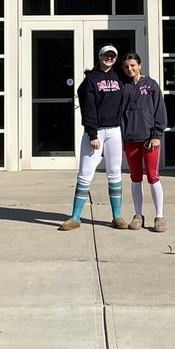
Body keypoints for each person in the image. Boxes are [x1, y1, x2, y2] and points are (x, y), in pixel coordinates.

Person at [59, 44, 128, 231]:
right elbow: (88, 108)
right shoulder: (90, 80)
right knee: (85, 174)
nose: (110, 58)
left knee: (115, 173)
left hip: (114, 131)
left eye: (113, 56)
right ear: (100, 56)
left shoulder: (120, 77)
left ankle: (117, 216)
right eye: (106, 55)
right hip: (96, 132)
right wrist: (92, 133)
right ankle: (75, 217)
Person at [119, 52, 167, 232]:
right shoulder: (124, 87)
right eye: (126, 66)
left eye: (133, 65)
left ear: (139, 65)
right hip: (131, 139)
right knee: (135, 178)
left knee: (153, 177)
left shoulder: (151, 85)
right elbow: (120, 115)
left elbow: (159, 111)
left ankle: (159, 216)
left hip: (150, 139)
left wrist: (156, 135)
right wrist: (122, 139)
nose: (130, 69)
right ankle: (138, 215)